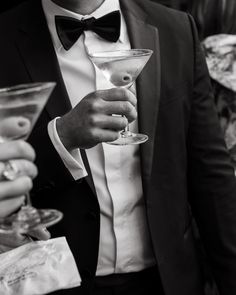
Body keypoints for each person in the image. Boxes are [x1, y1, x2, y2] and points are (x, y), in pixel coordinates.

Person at [0, 0, 236, 295]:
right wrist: (62, 136)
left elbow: (212, 176)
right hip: (56, 282)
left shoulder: (175, 29)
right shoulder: (5, 36)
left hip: (167, 280)